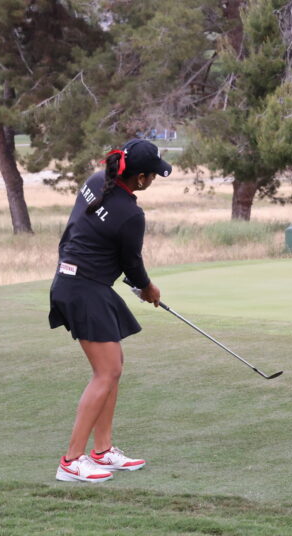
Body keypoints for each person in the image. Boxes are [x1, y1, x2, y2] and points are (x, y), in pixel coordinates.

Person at [49, 139, 171, 483]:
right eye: (154, 175)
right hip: (83, 289)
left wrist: (136, 282)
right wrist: (148, 288)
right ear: (142, 178)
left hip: (74, 281)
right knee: (106, 373)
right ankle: (71, 461)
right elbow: (132, 263)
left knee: (113, 368)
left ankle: (102, 450)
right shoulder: (132, 213)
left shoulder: (94, 182)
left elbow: (96, 238)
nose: (154, 180)